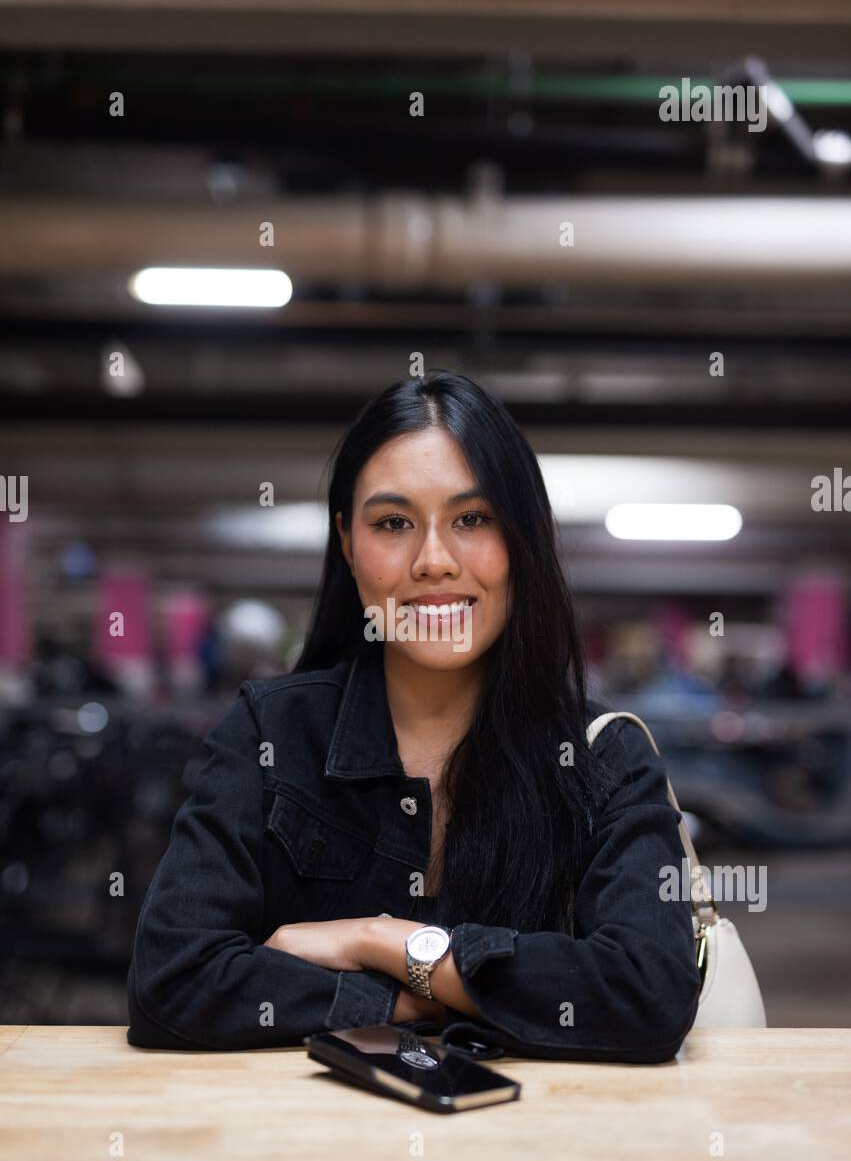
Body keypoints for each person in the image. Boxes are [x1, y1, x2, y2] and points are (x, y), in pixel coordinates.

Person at [126, 371, 701, 1062]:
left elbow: (648, 993)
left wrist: (377, 941)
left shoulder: (603, 758)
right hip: (295, 1154)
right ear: (346, 540)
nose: (433, 561)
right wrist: (446, 993)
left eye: (472, 519)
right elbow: (173, 980)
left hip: (542, 1157)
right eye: (393, 523)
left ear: (523, 538)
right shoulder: (269, 736)